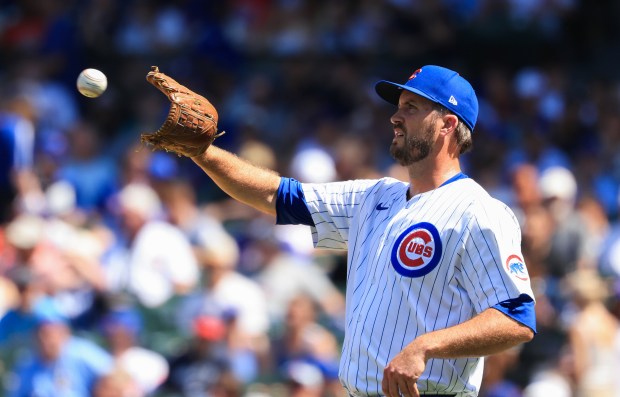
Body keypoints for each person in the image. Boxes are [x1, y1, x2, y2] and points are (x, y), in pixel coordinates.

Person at [158, 65, 537, 397]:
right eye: (398, 106)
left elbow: (516, 319)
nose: (395, 117)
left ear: (447, 124)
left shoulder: (480, 212)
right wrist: (202, 153)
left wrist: (426, 346)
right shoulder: (375, 196)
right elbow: (276, 194)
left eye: (411, 107)